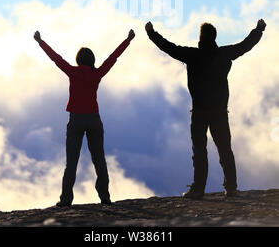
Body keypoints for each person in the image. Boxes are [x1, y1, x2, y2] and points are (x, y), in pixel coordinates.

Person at [145, 18, 266, 199]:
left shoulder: (192, 55)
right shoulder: (225, 54)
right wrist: (259, 30)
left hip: (200, 111)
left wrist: (151, 33)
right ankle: (231, 188)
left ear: (201, 38)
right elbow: (245, 45)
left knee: (199, 151)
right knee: (225, 149)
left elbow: (168, 47)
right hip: (219, 111)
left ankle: (199, 189)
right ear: (215, 37)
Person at [34, 28, 135, 207]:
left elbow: (56, 58)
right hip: (94, 119)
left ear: (78, 60)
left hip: (76, 120)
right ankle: (105, 197)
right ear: (92, 61)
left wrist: (40, 42)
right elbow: (113, 58)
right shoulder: (97, 74)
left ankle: (66, 200)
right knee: (99, 159)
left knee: (71, 162)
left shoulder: (73, 72)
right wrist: (127, 40)